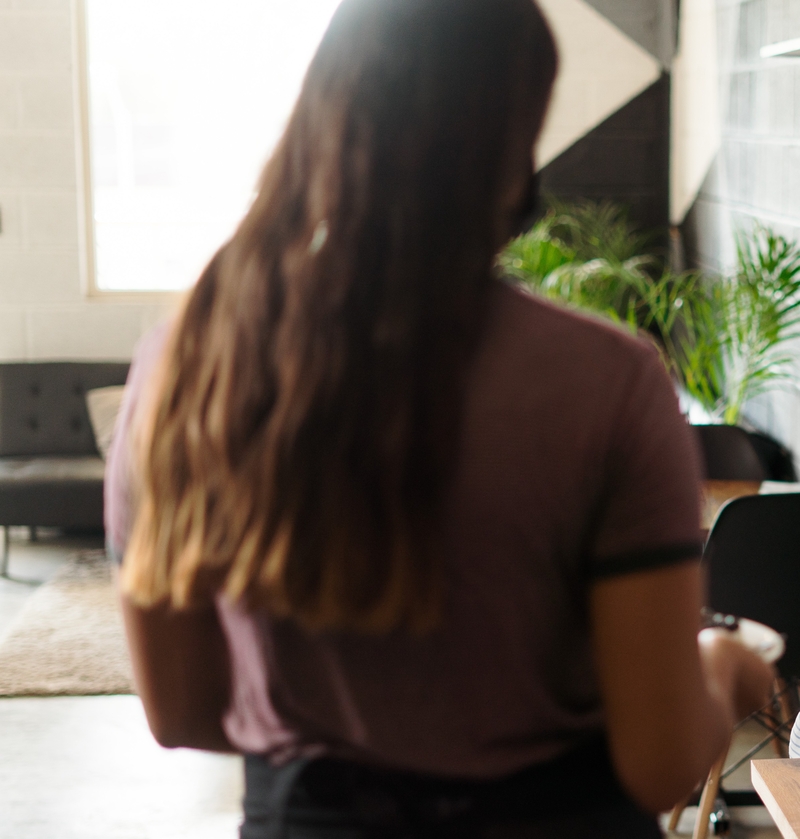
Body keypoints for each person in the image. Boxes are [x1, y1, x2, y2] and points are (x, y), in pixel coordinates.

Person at [106, 0, 775, 836]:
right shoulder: (607, 382)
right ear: (512, 138)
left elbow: (182, 713)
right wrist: (722, 671)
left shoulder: (185, 368)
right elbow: (658, 757)